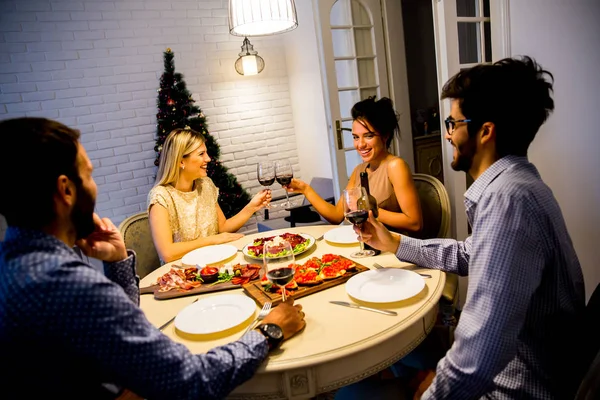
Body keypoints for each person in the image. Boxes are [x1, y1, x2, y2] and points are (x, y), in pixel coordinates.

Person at [0, 118, 306, 400]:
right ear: (66, 189)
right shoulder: (69, 285)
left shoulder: (16, 265)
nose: (95, 185)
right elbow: (189, 380)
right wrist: (269, 330)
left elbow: (118, 330)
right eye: (90, 175)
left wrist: (118, 262)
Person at [357, 56, 586, 399]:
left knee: (361, 390)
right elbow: (470, 253)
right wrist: (396, 244)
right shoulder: (517, 184)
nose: (447, 134)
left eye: (453, 123)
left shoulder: (509, 201)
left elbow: (478, 355)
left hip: (518, 388)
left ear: (485, 131)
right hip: (513, 374)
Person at [286, 97, 422, 234]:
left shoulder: (395, 166)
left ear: (385, 136)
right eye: (356, 137)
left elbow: (414, 223)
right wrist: (305, 189)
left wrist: (369, 209)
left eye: (368, 136)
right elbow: (336, 216)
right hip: (367, 244)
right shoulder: (359, 170)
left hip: (393, 249)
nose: (360, 144)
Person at [148, 127, 271, 263]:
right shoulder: (161, 197)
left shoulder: (205, 184)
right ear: (181, 161)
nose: (208, 159)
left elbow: (223, 227)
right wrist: (213, 240)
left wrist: (252, 207)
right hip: (182, 274)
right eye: (201, 154)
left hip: (214, 262)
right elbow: (167, 253)